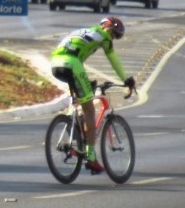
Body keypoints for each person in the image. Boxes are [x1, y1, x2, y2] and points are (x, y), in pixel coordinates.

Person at [50, 17, 136, 174]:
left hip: (56, 63)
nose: (113, 38)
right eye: (114, 33)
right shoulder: (103, 35)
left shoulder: (84, 31)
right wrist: (126, 79)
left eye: (116, 36)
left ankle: (73, 122)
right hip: (71, 63)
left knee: (83, 95)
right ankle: (90, 156)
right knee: (90, 110)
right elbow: (113, 59)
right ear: (105, 26)